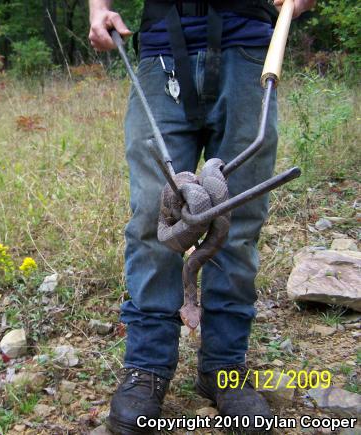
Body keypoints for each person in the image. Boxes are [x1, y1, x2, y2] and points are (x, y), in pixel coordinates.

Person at [88, 0, 315, 433]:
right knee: (154, 222)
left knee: (238, 219)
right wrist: (99, 9)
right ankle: (148, 367)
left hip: (251, 52)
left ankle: (224, 367)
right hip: (160, 55)